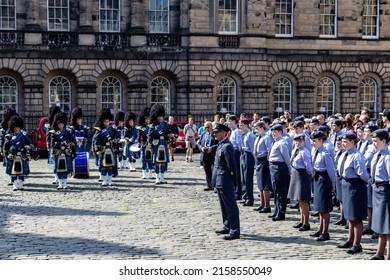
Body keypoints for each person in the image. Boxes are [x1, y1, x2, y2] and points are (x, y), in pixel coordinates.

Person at [336, 132, 369, 254]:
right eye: (342, 142)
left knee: (356, 217)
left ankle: (357, 244)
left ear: (353, 142)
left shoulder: (357, 156)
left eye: (346, 142)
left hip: (355, 186)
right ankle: (350, 239)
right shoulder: (345, 154)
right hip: (345, 184)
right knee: (349, 216)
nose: (343, 144)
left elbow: (363, 175)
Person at [212, 123, 240, 240]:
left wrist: (234, 179)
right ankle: (227, 225)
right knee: (223, 206)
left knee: (230, 206)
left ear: (224, 133)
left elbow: (231, 166)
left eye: (217, 132)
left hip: (225, 179)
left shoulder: (227, 146)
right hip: (219, 179)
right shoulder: (220, 145)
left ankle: (234, 230)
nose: (215, 134)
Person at [309, 130, 336, 241]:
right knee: (319, 206)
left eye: (315, 141)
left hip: (324, 179)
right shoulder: (315, 151)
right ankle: (320, 229)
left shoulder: (325, 154)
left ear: (321, 140)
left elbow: (331, 171)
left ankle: (325, 232)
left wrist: (333, 185)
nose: (312, 143)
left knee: (324, 207)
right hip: (317, 177)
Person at [369, 129, 390, 260]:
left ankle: (388, 256)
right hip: (377, 190)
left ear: (384, 141)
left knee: (388, 226)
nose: (374, 144)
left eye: (376, 141)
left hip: (386, 191)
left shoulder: (388, 157)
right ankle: (379, 253)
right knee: (380, 224)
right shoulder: (378, 154)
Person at [288, 134, 312, 231]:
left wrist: (307, 175)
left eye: (300, 141)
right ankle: (301, 220)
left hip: (302, 175)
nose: (298, 143)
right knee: (299, 199)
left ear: (304, 142)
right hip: (295, 174)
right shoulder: (295, 150)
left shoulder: (304, 152)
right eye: (296, 141)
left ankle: (306, 222)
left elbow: (309, 167)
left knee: (303, 199)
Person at [3, 115, 34, 191]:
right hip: (12, 156)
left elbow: (30, 144)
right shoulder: (9, 136)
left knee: (21, 171)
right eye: (15, 127)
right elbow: (6, 146)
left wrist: (28, 147)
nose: (16, 129)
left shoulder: (23, 135)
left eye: (18, 127)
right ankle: (14, 185)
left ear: (20, 127)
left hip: (22, 156)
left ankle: (21, 184)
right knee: (13, 172)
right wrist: (5, 153)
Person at [268, 124, 291, 221]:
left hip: (279, 167)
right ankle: (276, 210)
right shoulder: (275, 142)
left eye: (275, 131)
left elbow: (286, 157)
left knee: (281, 191)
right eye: (272, 131)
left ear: (280, 132)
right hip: (273, 167)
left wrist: (289, 170)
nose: (273, 133)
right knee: (276, 191)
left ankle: (281, 213)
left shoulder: (282, 143)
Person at [147, 103, 174, 184]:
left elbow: (168, 132)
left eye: (161, 116)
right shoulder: (152, 125)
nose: (160, 118)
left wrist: (170, 135)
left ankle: (162, 178)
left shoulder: (165, 124)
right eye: (159, 117)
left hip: (163, 143)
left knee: (163, 162)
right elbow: (149, 136)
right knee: (157, 162)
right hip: (156, 144)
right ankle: (157, 178)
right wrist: (150, 146)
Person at [92, 108, 118, 186]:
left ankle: (109, 180)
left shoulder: (112, 129)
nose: (106, 123)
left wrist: (115, 141)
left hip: (111, 148)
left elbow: (118, 137)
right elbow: (96, 141)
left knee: (110, 166)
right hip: (103, 149)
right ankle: (104, 180)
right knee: (103, 166)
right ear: (102, 122)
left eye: (107, 121)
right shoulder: (99, 130)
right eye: (105, 121)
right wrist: (97, 150)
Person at [50, 112, 76, 189]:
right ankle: (60, 184)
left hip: (66, 152)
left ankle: (65, 184)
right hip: (58, 152)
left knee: (65, 169)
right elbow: (52, 144)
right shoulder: (54, 133)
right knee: (59, 168)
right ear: (57, 124)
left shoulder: (67, 132)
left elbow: (73, 141)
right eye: (59, 124)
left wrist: (69, 144)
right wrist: (52, 153)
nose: (61, 126)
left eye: (62, 124)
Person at [253, 122, 273, 213]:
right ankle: (262, 204)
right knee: (260, 183)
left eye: (257, 128)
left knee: (265, 184)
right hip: (258, 160)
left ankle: (267, 205)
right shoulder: (258, 137)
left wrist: (268, 162)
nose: (255, 130)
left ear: (262, 128)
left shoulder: (266, 138)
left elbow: (269, 150)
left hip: (264, 160)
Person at [238, 119, 256, 206]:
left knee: (248, 178)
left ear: (246, 125)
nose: (240, 127)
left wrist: (254, 161)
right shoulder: (243, 134)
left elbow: (253, 149)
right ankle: (245, 196)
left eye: (241, 125)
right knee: (243, 178)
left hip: (248, 155)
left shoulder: (250, 135)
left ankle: (249, 198)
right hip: (242, 154)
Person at [69, 107, 89, 178]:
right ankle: (73, 172)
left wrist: (85, 140)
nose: (80, 121)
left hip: (82, 147)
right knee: (73, 160)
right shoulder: (72, 128)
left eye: (80, 119)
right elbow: (70, 137)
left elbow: (87, 136)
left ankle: (83, 172)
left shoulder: (84, 128)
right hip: (75, 147)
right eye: (78, 119)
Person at [0, 107, 18, 186]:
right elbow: (2, 139)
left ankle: (15, 177)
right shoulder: (4, 126)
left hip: (15, 146)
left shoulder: (15, 124)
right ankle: (10, 177)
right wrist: (2, 149)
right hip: (7, 146)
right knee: (8, 163)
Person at [197, 121, 217, 191]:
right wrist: (201, 148)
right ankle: (209, 185)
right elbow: (199, 143)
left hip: (212, 154)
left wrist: (212, 148)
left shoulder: (215, 134)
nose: (207, 129)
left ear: (211, 127)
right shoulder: (203, 134)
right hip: (204, 153)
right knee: (207, 170)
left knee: (214, 170)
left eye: (208, 127)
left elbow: (219, 144)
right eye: (205, 127)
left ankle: (215, 185)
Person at [227, 115, 242, 200]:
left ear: (233, 121)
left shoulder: (236, 131)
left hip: (236, 152)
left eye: (229, 121)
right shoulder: (232, 131)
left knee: (237, 173)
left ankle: (238, 192)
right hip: (233, 152)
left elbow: (238, 143)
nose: (228, 123)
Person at [333, 136, 347, 226]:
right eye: (337, 144)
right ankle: (342, 218)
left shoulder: (346, 154)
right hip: (338, 177)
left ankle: (347, 219)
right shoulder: (338, 153)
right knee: (341, 199)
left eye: (340, 143)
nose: (338, 145)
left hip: (344, 178)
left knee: (346, 200)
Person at [47, 105, 62, 184]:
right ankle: (56, 177)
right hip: (53, 145)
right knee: (54, 162)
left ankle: (60, 176)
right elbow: (48, 135)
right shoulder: (50, 125)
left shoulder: (60, 123)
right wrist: (48, 144)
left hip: (60, 144)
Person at [137, 107, 153, 179]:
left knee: (150, 160)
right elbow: (138, 136)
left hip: (149, 145)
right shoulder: (141, 127)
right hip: (143, 144)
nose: (147, 120)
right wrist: (138, 143)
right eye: (146, 119)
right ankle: (143, 174)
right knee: (143, 160)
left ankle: (150, 174)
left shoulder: (151, 127)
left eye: (148, 119)